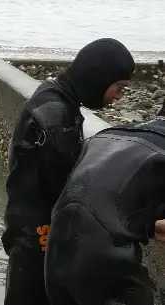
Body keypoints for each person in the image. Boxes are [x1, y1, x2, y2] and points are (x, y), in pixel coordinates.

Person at [1, 38, 135, 305]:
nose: (119, 95)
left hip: (26, 233)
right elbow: (75, 192)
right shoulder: (56, 119)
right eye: (118, 87)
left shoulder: (53, 95)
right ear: (98, 77)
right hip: (38, 242)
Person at [45, 102, 165, 305]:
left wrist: (148, 226)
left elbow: (106, 200)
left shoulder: (109, 134)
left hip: (56, 257)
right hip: (108, 270)